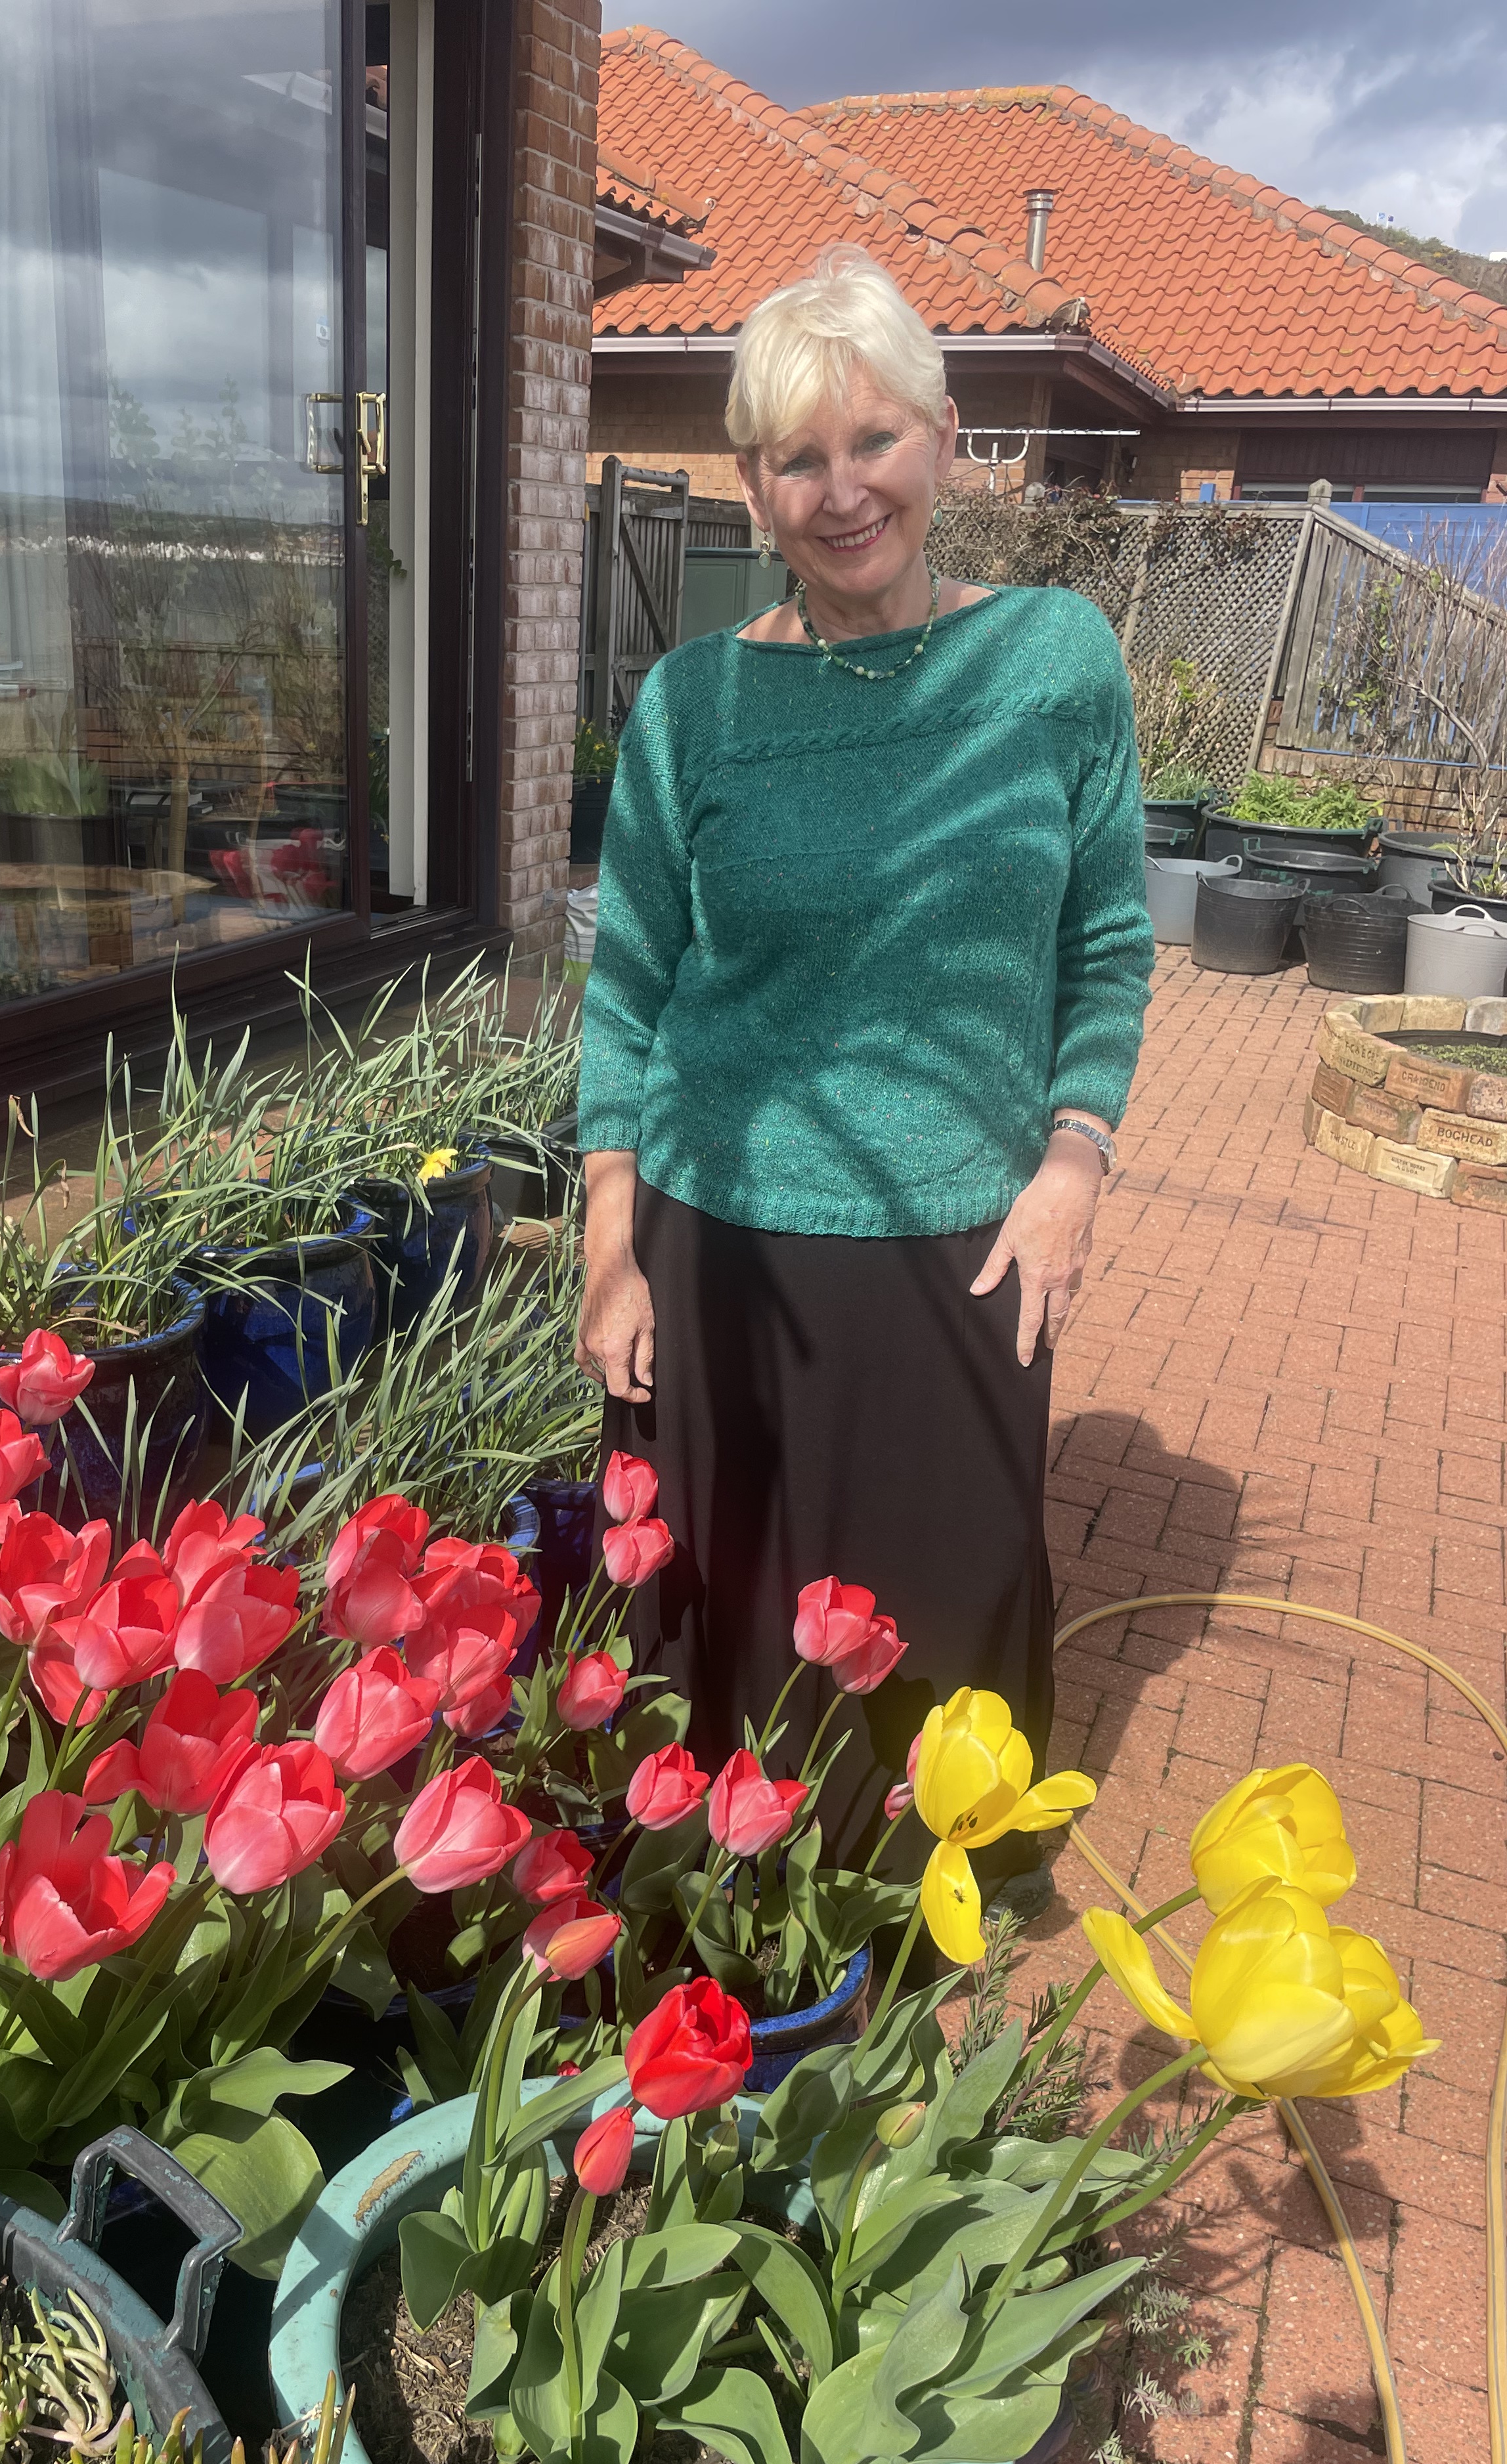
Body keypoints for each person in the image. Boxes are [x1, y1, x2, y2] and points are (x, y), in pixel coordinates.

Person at [574, 244, 1154, 1869]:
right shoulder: (693, 705)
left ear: (946, 438)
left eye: (873, 440)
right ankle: (718, 1935)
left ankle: (920, 1921)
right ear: (751, 484)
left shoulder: (1054, 663)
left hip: (962, 1244)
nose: (842, 493)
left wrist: (1074, 1162)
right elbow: (627, 990)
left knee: (941, 1619)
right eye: (796, 458)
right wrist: (611, 1246)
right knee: (725, 1638)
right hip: (721, 1249)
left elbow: (1108, 944)